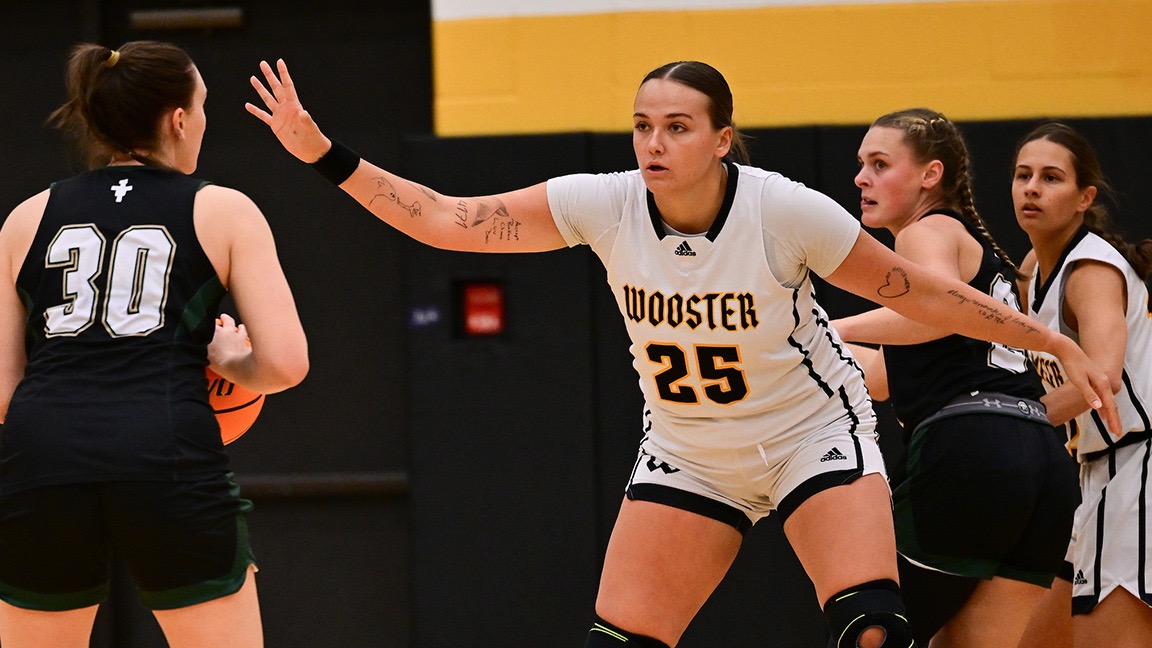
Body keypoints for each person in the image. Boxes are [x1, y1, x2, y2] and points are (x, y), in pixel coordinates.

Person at [247, 58, 1116, 647]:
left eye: (676, 126)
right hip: (690, 451)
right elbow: (443, 217)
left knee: (875, 631)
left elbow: (917, 292)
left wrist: (1044, 337)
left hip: (811, 433)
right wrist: (325, 154)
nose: (654, 143)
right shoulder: (601, 202)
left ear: (721, 138)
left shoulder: (785, 210)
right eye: (641, 126)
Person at [0, 41, 308, 648]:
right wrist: (226, 359)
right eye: (204, 105)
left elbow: (4, 393)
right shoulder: (224, 209)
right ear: (179, 119)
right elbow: (284, 363)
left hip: (41, 456)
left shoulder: (23, 218)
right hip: (164, 446)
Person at [830, 109, 1080, 648]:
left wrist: (834, 323)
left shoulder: (925, 232)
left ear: (930, 175)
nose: (861, 179)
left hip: (971, 450)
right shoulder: (971, 247)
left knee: (871, 633)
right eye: (860, 164)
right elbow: (883, 376)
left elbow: (936, 311)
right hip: (1041, 460)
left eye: (880, 164)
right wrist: (812, 344)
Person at [1009, 122, 1152, 648]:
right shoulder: (1032, 271)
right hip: (1095, 478)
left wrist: (1009, 420)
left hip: (1138, 467)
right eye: (1023, 175)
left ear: (1083, 197)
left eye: (1050, 178)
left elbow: (1104, 375)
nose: (1031, 188)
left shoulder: (1090, 270)